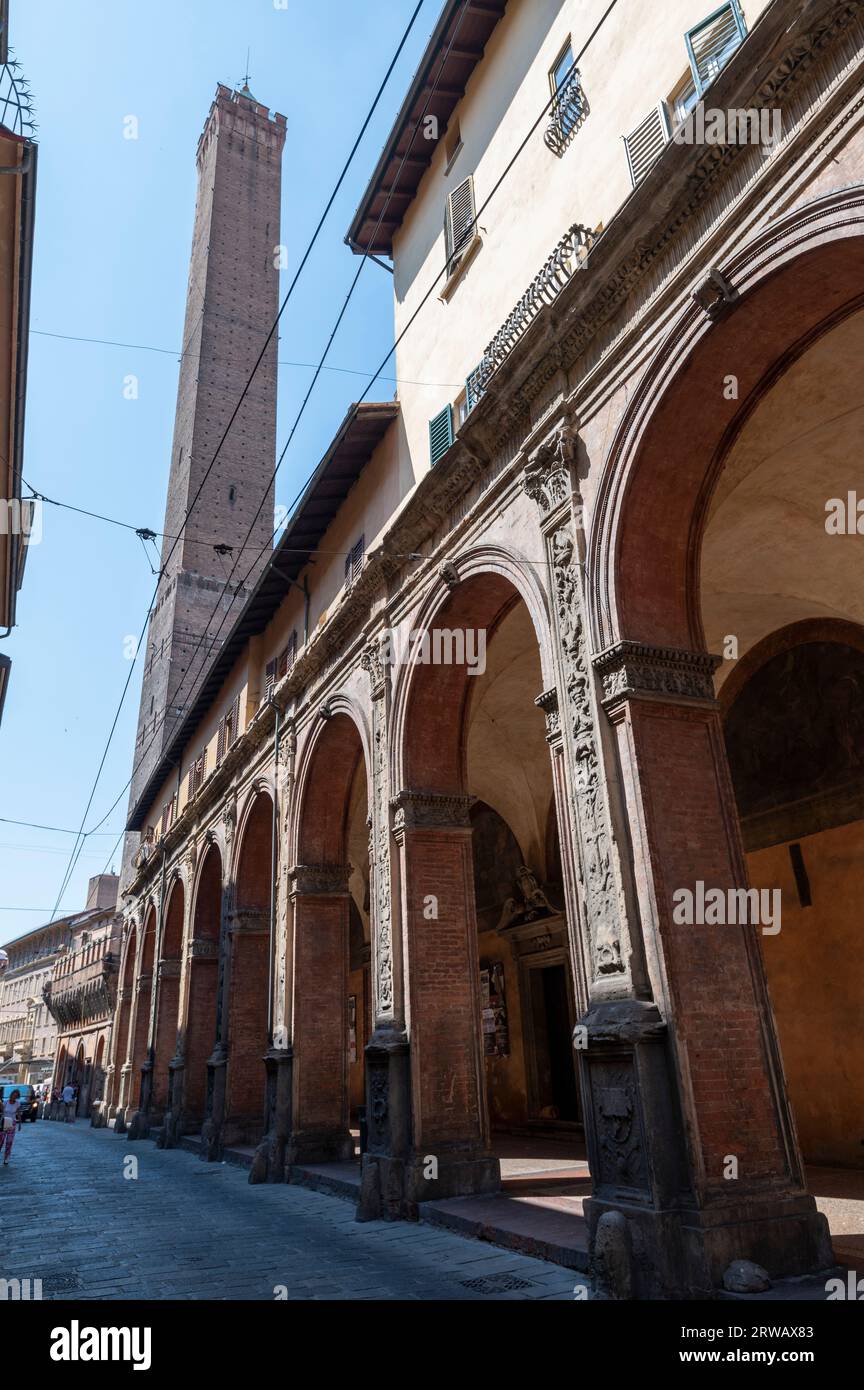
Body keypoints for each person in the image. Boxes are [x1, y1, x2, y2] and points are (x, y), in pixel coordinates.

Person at [2, 1089, 21, 1164]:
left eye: (16, 1096)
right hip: (4, 1122)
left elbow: (18, 1114)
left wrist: (20, 1124)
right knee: (1, 1141)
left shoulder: (17, 1103)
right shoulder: (5, 1102)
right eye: (13, 1095)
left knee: (9, 1142)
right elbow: (1, 1111)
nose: (14, 1097)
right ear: (11, 1094)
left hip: (12, 1123)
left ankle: (6, 1157)